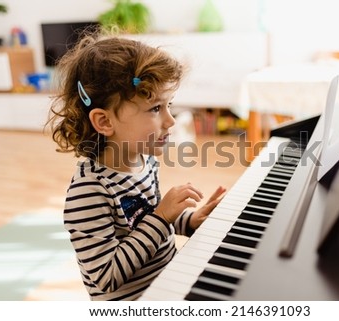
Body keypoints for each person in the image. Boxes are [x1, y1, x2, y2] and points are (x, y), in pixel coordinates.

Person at [47, 32, 226, 301]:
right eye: (155, 108)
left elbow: (142, 218)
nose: (170, 121)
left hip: (167, 289)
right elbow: (106, 277)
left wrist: (188, 221)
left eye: (169, 105)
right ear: (105, 122)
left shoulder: (145, 161)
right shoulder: (89, 192)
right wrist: (161, 217)